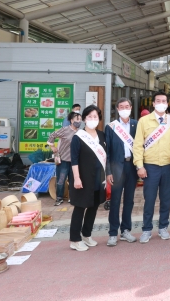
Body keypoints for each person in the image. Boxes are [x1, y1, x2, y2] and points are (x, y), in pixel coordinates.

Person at [133, 91, 170, 243]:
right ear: (153, 103)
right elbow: (137, 145)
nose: (161, 103)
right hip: (150, 166)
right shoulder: (144, 121)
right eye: (158, 100)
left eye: (163, 101)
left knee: (166, 198)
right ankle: (146, 229)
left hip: (168, 165)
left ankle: (163, 227)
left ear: (167, 103)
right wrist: (139, 165)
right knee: (149, 199)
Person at [69, 105, 108, 252]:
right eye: (90, 117)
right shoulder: (78, 137)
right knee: (80, 207)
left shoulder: (102, 135)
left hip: (98, 179)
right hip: (83, 179)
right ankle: (75, 239)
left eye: (95, 117)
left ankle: (86, 234)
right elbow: (74, 160)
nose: (93, 119)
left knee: (93, 207)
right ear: (84, 118)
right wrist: (77, 178)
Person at [105, 98, 138, 246]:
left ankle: (126, 230)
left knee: (129, 200)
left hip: (131, 166)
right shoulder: (111, 127)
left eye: (127, 106)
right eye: (121, 106)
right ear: (117, 109)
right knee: (115, 200)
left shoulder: (136, 124)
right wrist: (108, 171)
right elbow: (107, 152)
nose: (124, 108)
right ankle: (113, 232)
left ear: (131, 107)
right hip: (116, 167)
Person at [47, 111, 82, 206]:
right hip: (63, 160)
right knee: (61, 180)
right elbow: (52, 135)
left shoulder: (81, 132)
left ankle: (72, 197)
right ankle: (59, 198)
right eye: (77, 119)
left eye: (80, 119)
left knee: (73, 180)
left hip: (75, 161)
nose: (79, 121)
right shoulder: (65, 130)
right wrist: (53, 147)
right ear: (71, 120)